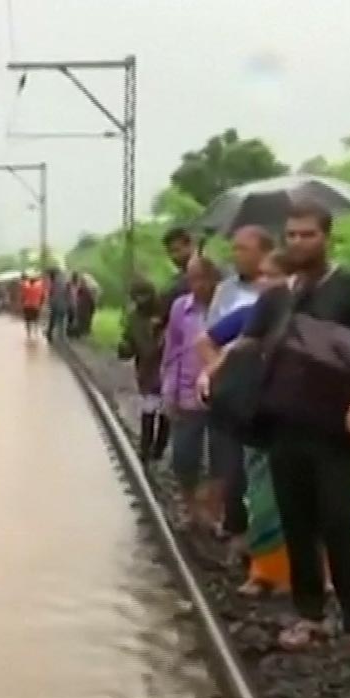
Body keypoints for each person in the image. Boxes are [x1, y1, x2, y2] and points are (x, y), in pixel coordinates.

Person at [242, 200, 350, 658]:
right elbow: (249, 344)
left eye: (307, 234)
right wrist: (221, 373)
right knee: (296, 521)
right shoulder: (277, 296)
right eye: (290, 235)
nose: (297, 242)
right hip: (285, 424)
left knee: (339, 520)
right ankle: (308, 614)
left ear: (327, 237)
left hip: (337, 428)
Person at [198, 249, 295, 595]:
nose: (265, 284)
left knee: (299, 499)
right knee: (259, 493)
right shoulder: (251, 315)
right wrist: (213, 374)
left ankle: (305, 577)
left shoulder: (307, 316)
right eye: (262, 277)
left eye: (273, 276)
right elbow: (213, 343)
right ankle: (265, 570)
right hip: (257, 416)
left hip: (300, 418)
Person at [202, 225, 273, 541]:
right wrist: (213, 372)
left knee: (263, 473)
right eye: (235, 248)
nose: (236, 255)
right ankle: (240, 536)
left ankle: (266, 549)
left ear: (264, 252)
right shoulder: (228, 291)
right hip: (233, 392)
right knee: (233, 469)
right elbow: (209, 336)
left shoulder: (279, 294)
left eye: (243, 248)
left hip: (271, 392)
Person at [160, 256, 222, 532]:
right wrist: (169, 391)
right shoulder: (180, 308)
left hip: (222, 397)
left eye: (201, 278)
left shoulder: (226, 309)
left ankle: (213, 512)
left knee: (220, 461)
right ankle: (190, 508)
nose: (196, 285)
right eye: (191, 278)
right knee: (184, 457)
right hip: (186, 394)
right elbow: (172, 350)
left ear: (214, 279)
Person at [118, 278, 168, 463]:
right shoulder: (133, 317)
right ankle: (145, 448)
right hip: (146, 369)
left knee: (164, 411)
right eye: (136, 296)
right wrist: (125, 347)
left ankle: (159, 448)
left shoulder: (164, 312)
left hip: (166, 366)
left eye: (144, 295)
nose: (140, 300)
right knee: (148, 408)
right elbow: (129, 340)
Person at [44, 267, 70, 340]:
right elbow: (67, 293)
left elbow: (51, 293)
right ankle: (61, 336)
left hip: (56, 304)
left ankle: (51, 334)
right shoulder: (64, 281)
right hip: (63, 304)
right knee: (60, 320)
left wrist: (49, 302)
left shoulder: (54, 283)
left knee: (53, 319)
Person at [18, 272, 46, 337]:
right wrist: (41, 304)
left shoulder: (24, 285)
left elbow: (22, 296)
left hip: (27, 305)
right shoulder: (40, 285)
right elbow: (43, 296)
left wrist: (21, 304)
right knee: (35, 319)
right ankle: (35, 332)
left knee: (28, 320)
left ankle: (29, 333)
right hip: (35, 305)